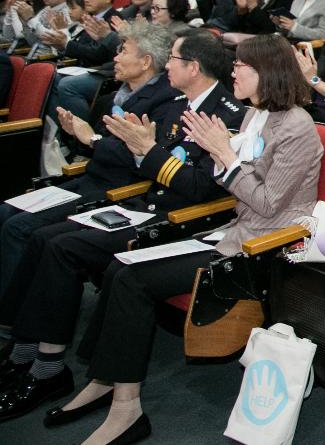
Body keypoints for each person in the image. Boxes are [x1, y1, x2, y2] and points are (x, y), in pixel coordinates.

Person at [49, 35, 321, 445]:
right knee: (121, 265)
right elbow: (230, 185)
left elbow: (266, 203)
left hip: (264, 248)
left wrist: (225, 157)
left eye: (240, 66)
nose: (232, 72)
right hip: (233, 232)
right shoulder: (255, 115)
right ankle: (107, 378)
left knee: (134, 278)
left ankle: (126, 409)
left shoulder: (297, 126)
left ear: (266, 72)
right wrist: (219, 155)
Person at [0, 30, 242, 423]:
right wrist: (145, 151)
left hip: (179, 222)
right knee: (44, 237)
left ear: (193, 68)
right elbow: (155, 163)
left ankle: (48, 368)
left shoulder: (228, 115)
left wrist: (148, 151)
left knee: (61, 247)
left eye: (174, 60)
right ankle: (26, 352)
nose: (167, 66)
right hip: (145, 204)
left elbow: (199, 189)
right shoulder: (180, 104)